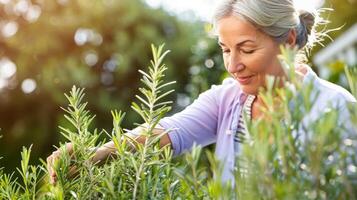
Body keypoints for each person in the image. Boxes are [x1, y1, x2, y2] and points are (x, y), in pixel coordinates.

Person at [47, 0, 357, 184]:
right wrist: (97, 154)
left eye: (246, 49)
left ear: (288, 40)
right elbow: (167, 132)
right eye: (225, 49)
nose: (233, 65)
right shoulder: (229, 100)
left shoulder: (336, 108)